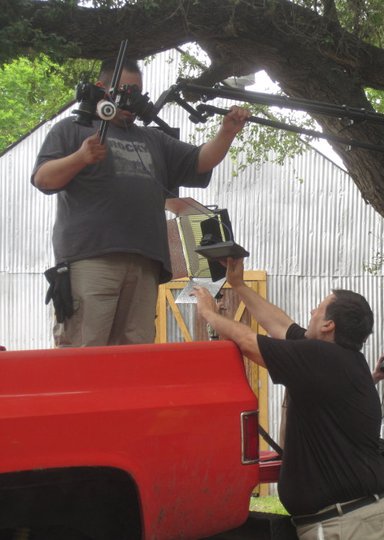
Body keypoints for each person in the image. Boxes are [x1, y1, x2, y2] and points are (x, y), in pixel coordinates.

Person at [32, 58, 250, 347]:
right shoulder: (74, 129)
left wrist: (227, 132)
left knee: (136, 354)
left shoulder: (153, 138)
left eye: (137, 92)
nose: (131, 98)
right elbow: (43, 179)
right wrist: (80, 158)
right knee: (85, 350)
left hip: (145, 265)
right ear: (102, 88)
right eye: (124, 90)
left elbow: (201, 160)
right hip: (92, 260)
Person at [193, 257, 384, 540]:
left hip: (347, 525)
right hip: (365, 514)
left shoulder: (322, 359)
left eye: (317, 308)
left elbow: (248, 342)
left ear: (329, 325)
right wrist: (239, 285)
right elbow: (279, 325)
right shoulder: (339, 359)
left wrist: (209, 313)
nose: (311, 311)